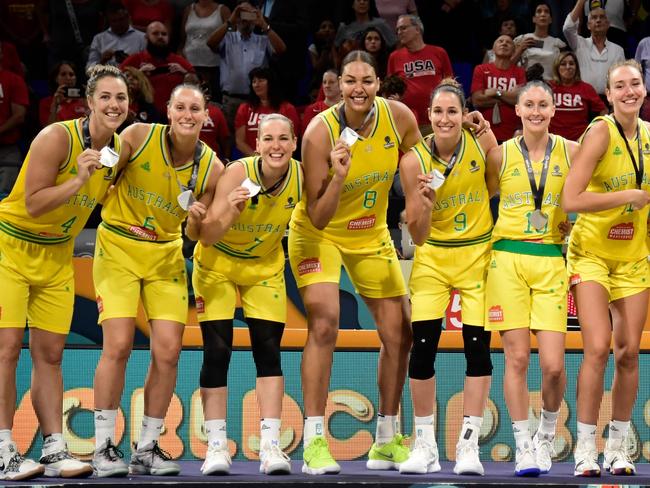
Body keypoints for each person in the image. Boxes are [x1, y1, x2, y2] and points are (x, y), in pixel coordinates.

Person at [289, 49, 421, 475]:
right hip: (318, 233)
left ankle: (385, 440)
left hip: (370, 232)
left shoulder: (399, 117)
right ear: (337, 85)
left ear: (378, 84)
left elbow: (423, 164)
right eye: (350, 81)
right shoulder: (317, 133)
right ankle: (313, 443)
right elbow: (317, 214)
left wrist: (417, 204)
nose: (358, 89)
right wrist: (340, 177)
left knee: (400, 333)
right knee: (325, 322)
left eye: (366, 80)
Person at [0, 64, 128, 480]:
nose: (113, 104)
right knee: (5, 352)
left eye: (121, 98)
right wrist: (78, 180)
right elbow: (34, 203)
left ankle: (54, 449)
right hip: (11, 248)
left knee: (50, 356)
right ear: (89, 102)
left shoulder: (118, 151)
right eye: (105, 97)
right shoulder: (57, 137)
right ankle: (3, 449)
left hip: (57, 258)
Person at [91, 83, 222, 477]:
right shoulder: (136, 136)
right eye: (180, 106)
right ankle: (101, 448)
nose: (187, 114)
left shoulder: (212, 168)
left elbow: (199, 236)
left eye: (195, 108)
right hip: (118, 247)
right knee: (118, 344)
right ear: (168, 110)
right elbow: (100, 185)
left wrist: (198, 220)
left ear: (206, 116)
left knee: (168, 351)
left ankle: (146, 448)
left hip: (166, 254)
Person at [190, 114, 302, 476]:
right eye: (268, 139)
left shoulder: (300, 176)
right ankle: (217, 447)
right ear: (257, 145)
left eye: (283, 139)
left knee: (268, 352)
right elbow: (206, 234)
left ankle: (271, 447)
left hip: (264, 267)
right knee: (218, 351)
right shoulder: (237, 174)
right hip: (217, 264)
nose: (276, 146)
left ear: (294, 143)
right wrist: (231, 213)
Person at [397, 78, 497, 476]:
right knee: (422, 349)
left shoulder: (483, 145)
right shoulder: (412, 162)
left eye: (452, 111)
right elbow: (417, 236)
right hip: (433, 259)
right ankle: (425, 446)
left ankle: (468, 446)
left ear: (463, 115)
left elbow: (495, 191)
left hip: (477, 254)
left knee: (478, 349)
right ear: (428, 116)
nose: (444, 118)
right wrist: (424, 206)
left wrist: (487, 131)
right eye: (438, 112)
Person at [485, 80, 579, 476]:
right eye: (529, 105)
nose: (536, 111)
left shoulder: (572, 152)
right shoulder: (500, 155)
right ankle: (523, 443)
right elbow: (475, 201)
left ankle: (546, 433)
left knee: (555, 366)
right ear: (518, 110)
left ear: (554, 110)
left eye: (544, 104)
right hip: (507, 259)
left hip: (552, 261)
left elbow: (595, 192)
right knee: (518, 358)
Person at [562, 59, 650, 477]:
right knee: (597, 347)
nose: (629, 91)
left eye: (635, 83)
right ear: (609, 94)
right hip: (592, 254)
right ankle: (584, 448)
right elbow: (571, 200)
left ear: (644, 90)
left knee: (629, 352)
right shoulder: (599, 132)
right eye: (620, 85)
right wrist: (626, 197)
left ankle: (617, 448)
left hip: (633, 257)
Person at [387, 14, 453, 131]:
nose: (399, 32)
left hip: (437, 120)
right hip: (407, 121)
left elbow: (451, 84)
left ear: (417, 29)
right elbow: (389, 89)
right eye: (397, 30)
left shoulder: (439, 52)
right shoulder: (394, 57)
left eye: (403, 28)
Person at [120, 21, 195, 116]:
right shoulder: (135, 60)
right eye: (155, 33)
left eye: (164, 34)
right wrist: (138, 75)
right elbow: (116, 82)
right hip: (142, 116)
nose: (160, 37)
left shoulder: (179, 61)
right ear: (146, 37)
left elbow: (197, 83)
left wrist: (185, 73)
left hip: (174, 115)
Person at [563, 0, 625, 98]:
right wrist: (581, 2)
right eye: (594, 17)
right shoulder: (579, 43)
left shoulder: (618, 50)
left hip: (608, 101)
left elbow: (621, 80)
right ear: (588, 25)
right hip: (582, 99)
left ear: (608, 24)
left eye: (602, 17)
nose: (598, 20)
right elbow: (567, 28)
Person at [471, 35, 526, 143]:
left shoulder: (520, 72)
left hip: (512, 134)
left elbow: (519, 101)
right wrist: (509, 97)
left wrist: (497, 92)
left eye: (508, 42)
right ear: (493, 49)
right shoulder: (481, 69)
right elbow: (477, 101)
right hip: (484, 133)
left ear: (514, 51)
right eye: (500, 41)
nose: (504, 43)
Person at [234, 67, 300, 157]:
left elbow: (292, 139)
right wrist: (258, 158)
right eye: (254, 81)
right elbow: (240, 141)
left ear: (271, 83)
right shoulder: (244, 108)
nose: (257, 85)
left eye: (261, 80)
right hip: (252, 160)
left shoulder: (287, 109)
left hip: (279, 158)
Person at [548, 51, 607, 141]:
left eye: (571, 64)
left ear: (576, 67)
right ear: (557, 68)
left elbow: (604, 110)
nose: (568, 67)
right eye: (563, 64)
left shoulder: (586, 88)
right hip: (552, 141)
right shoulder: (548, 87)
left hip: (580, 140)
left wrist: (594, 130)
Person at [178, 0, 230, 101]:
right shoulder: (189, 9)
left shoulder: (223, 10)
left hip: (214, 66)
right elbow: (182, 38)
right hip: (189, 66)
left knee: (211, 100)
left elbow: (232, 37)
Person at [85, 2, 146, 71]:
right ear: (109, 21)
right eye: (114, 21)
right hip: (107, 78)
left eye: (121, 19)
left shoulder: (142, 38)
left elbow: (148, 66)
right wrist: (102, 61)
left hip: (133, 78)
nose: (118, 24)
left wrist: (132, 61)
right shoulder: (99, 39)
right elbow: (89, 69)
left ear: (128, 18)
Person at [513, 3, 566, 80]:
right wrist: (520, 49)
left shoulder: (558, 44)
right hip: (526, 84)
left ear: (551, 20)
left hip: (550, 86)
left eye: (546, 12)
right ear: (533, 19)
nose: (543, 14)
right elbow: (509, 65)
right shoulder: (522, 39)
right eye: (539, 11)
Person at [38, 61, 87, 128]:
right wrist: (55, 106)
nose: (68, 78)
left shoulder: (85, 100)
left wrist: (88, 104)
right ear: (56, 78)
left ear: (75, 78)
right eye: (63, 74)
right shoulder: (46, 102)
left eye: (71, 74)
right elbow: (47, 129)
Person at [302, 69, 341, 136]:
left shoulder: (347, 109)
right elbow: (306, 137)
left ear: (341, 83)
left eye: (331, 82)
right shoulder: (312, 110)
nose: (327, 85)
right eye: (324, 82)